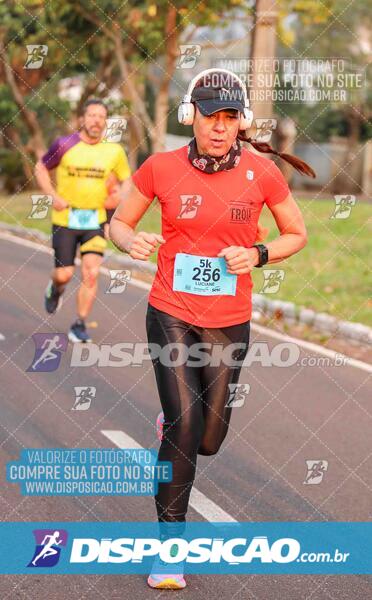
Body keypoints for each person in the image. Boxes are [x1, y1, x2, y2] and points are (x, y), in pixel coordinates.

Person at [109, 68, 315, 590]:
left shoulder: (262, 173)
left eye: (229, 117)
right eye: (210, 116)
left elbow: (297, 233)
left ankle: (181, 424)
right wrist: (125, 240)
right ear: (191, 116)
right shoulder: (160, 167)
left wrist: (259, 253)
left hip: (229, 321)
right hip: (170, 312)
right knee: (183, 427)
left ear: (240, 120)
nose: (219, 127)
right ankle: (169, 551)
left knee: (209, 438)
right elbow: (120, 220)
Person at [34, 99, 131, 342]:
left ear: (105, 123)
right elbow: (41, 167)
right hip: (66, 219)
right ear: (82, 119)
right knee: (64, 274)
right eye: (92, 115)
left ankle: (79, 323)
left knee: (91, 272)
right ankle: (55, 288)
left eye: (101, 117)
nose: (96, 120)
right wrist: (53, 196)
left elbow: (127, 180)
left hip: (96, 220)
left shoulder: (114, 151)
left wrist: (120, 201)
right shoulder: (65, 144)